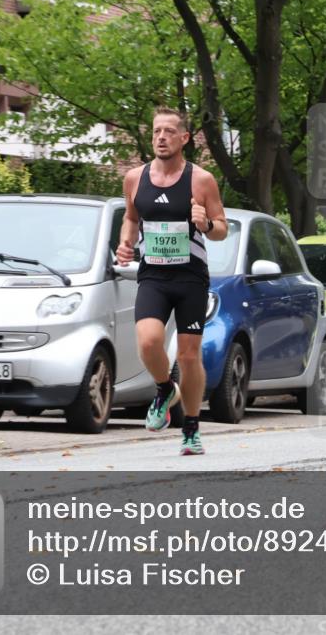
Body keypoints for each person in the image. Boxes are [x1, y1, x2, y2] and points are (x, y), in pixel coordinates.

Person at [116, 107, 227, 455]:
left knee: (188, 356)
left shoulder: (201, 180)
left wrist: (206, 224)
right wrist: (125, 243)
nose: (161, 137)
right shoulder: (135, 178)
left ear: (184, 138)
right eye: (156, 132)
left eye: (168, 131)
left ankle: (191, 428)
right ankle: (165, 389)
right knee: (148, 342)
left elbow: (221, 228)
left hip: (191, 278)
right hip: (154, 276)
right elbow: (131, 219)